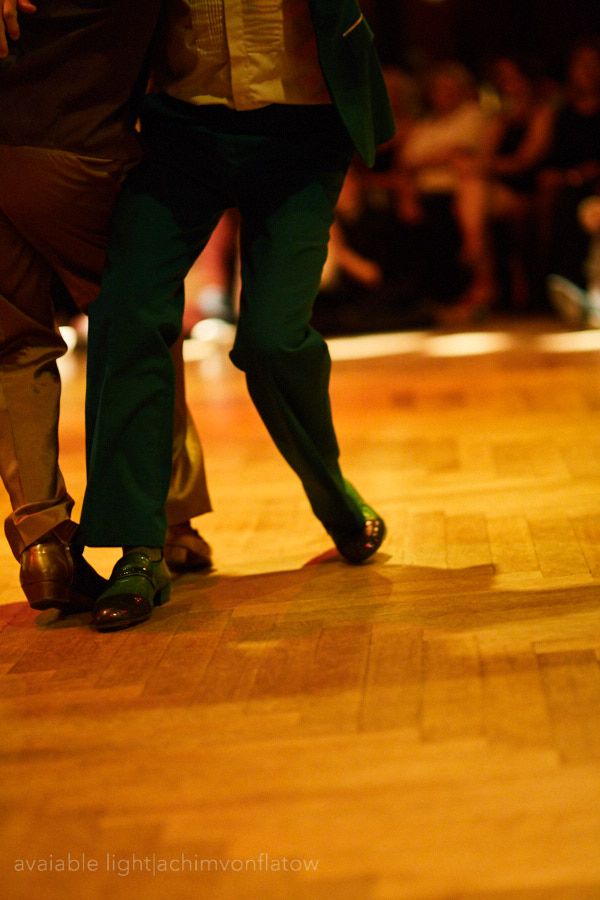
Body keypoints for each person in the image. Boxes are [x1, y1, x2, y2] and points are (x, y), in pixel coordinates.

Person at [78, 0, 394, 631]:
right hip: (179, 130)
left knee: (273, 341)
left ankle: (333, 493)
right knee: (126, 311)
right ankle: (139, 549)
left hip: (303, 133)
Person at [0, 0, 213, 617]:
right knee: (141, 325)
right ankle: (171, 520)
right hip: (79, 149)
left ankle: (43, 543)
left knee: (15, 344)